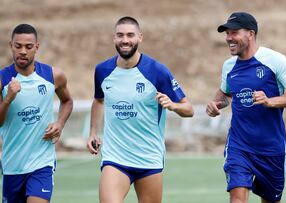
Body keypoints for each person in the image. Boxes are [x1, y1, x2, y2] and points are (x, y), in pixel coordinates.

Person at [86, 16, 194, 203]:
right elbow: (99, 100)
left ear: (140, 37)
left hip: (149, 158)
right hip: (115, 157)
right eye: (120, 35)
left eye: (130, 35)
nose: (125, 40)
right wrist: (93, 132)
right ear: (114, 38)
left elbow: (189, 109)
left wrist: (173, 105)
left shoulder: (158, 71)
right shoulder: (102, 70)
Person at [206, 12, 286, 203]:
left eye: (234, 32)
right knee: (237, 198)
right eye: (227, 33)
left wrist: (271, 101)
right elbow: (225, 93)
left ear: (251, 34)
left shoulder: (274, 60)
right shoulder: (228, 66)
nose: (228, 38)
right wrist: (216, 104)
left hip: (271, 149)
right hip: (239, 146)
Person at [0, 24, 73, 203]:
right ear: (11, 46)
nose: (23, 51)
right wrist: (8, 98)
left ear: (37, 47)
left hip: (42, 163)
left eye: (28, 46)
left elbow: (67, 101)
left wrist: (60, 124)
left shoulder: (53, 76)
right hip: (12, 166)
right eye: (18, 46)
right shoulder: (2, 79)